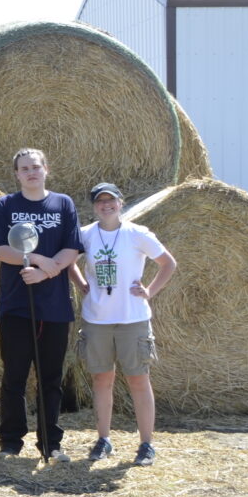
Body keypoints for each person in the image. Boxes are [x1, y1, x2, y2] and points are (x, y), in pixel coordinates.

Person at [72, 182, 177, 467]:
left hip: (133, 319)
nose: (106, 206)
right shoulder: (85, 235)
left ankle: (146, 444)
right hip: (97, 320)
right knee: (101, 380)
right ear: (94, 206)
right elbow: (69, 261)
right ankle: (104, 439)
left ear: (121, 203)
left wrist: (150, 291)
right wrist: (81, 284)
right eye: (100, 202)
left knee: (138, 380)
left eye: (111, 201)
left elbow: (168, 263)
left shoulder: (137, 234)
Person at [0, 148, 82, 462]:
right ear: (16, 174)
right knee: (14, 376)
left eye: (35, 167)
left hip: (54, 307)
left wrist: (43, 273)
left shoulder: (63, 203)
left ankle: (51, 444)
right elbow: (1, 250)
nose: (30, 172)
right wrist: (36, 258)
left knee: (50, 379)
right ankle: (11, 443)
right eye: (24, 168)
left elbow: (72, 248)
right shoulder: (6, 205)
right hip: (16, 305)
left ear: (46, 170)